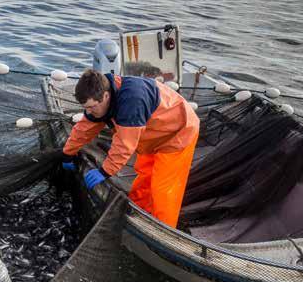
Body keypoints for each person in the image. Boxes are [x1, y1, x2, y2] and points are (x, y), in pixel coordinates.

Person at [61, 69, 200, 228]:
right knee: (144, 178)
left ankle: (163, 230)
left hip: (179, 133)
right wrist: (68, 153)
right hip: (151, 134)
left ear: (106, 96)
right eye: (86, 108)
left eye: (91, 107)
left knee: (163, 190)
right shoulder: (101, 99)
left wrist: (104, 171)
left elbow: (124, 145)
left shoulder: (131, 102)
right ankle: (138, 215)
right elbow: (84, 128)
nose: (89, 111)